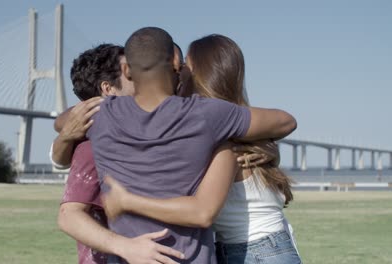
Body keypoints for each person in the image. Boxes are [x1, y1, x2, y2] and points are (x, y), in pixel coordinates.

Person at [84, 27, 297, 263]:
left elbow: (202, 212)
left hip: (255, 252)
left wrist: (127, 201)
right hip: (259, 246)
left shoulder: (212, 127)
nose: (179, 69)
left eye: (186, 64)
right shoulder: (225, 128)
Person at [54, 44, 185, 264]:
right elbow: (69, 216)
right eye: (130, 73)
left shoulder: (136, 130)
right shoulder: (93, 144)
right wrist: (126, 247)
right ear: (108, 89)